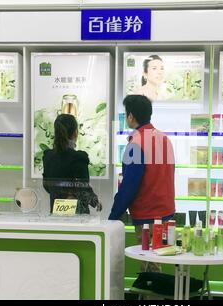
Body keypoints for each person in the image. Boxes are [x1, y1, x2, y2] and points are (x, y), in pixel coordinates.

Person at [109, 95, 175, 272]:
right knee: (157, 262)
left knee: (149, 267)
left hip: (147, 216)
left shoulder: (136, 144)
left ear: (130, 116)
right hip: (166, 213)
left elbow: (129, 186)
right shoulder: (164, 139)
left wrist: (113, 215)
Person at [43, 114, 102, 214]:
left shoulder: (48, 156)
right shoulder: (79, 158)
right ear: (75, 133)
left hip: (56, 213)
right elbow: (83, 189)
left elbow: (47, 186)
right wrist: (95, 201)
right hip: (77, 214)